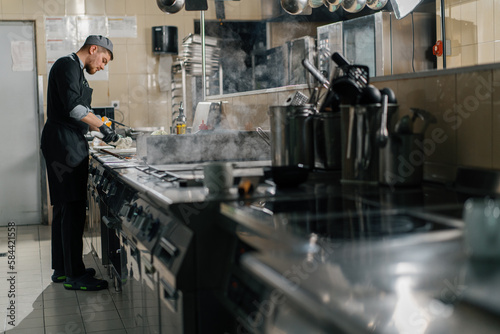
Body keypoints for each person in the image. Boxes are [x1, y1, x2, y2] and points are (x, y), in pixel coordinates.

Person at [41, 35, 119, 291]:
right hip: (64, 145)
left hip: (65, 141)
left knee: (65, 208)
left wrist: (98, 128)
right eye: (104, 60)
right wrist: (104, 128)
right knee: (73, 208)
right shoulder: (67, 65)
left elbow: (78, 110)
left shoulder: (75, 70)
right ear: (93, 49)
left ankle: (63, 269)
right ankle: (75, 275)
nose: (102, 67)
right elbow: (75, 109)